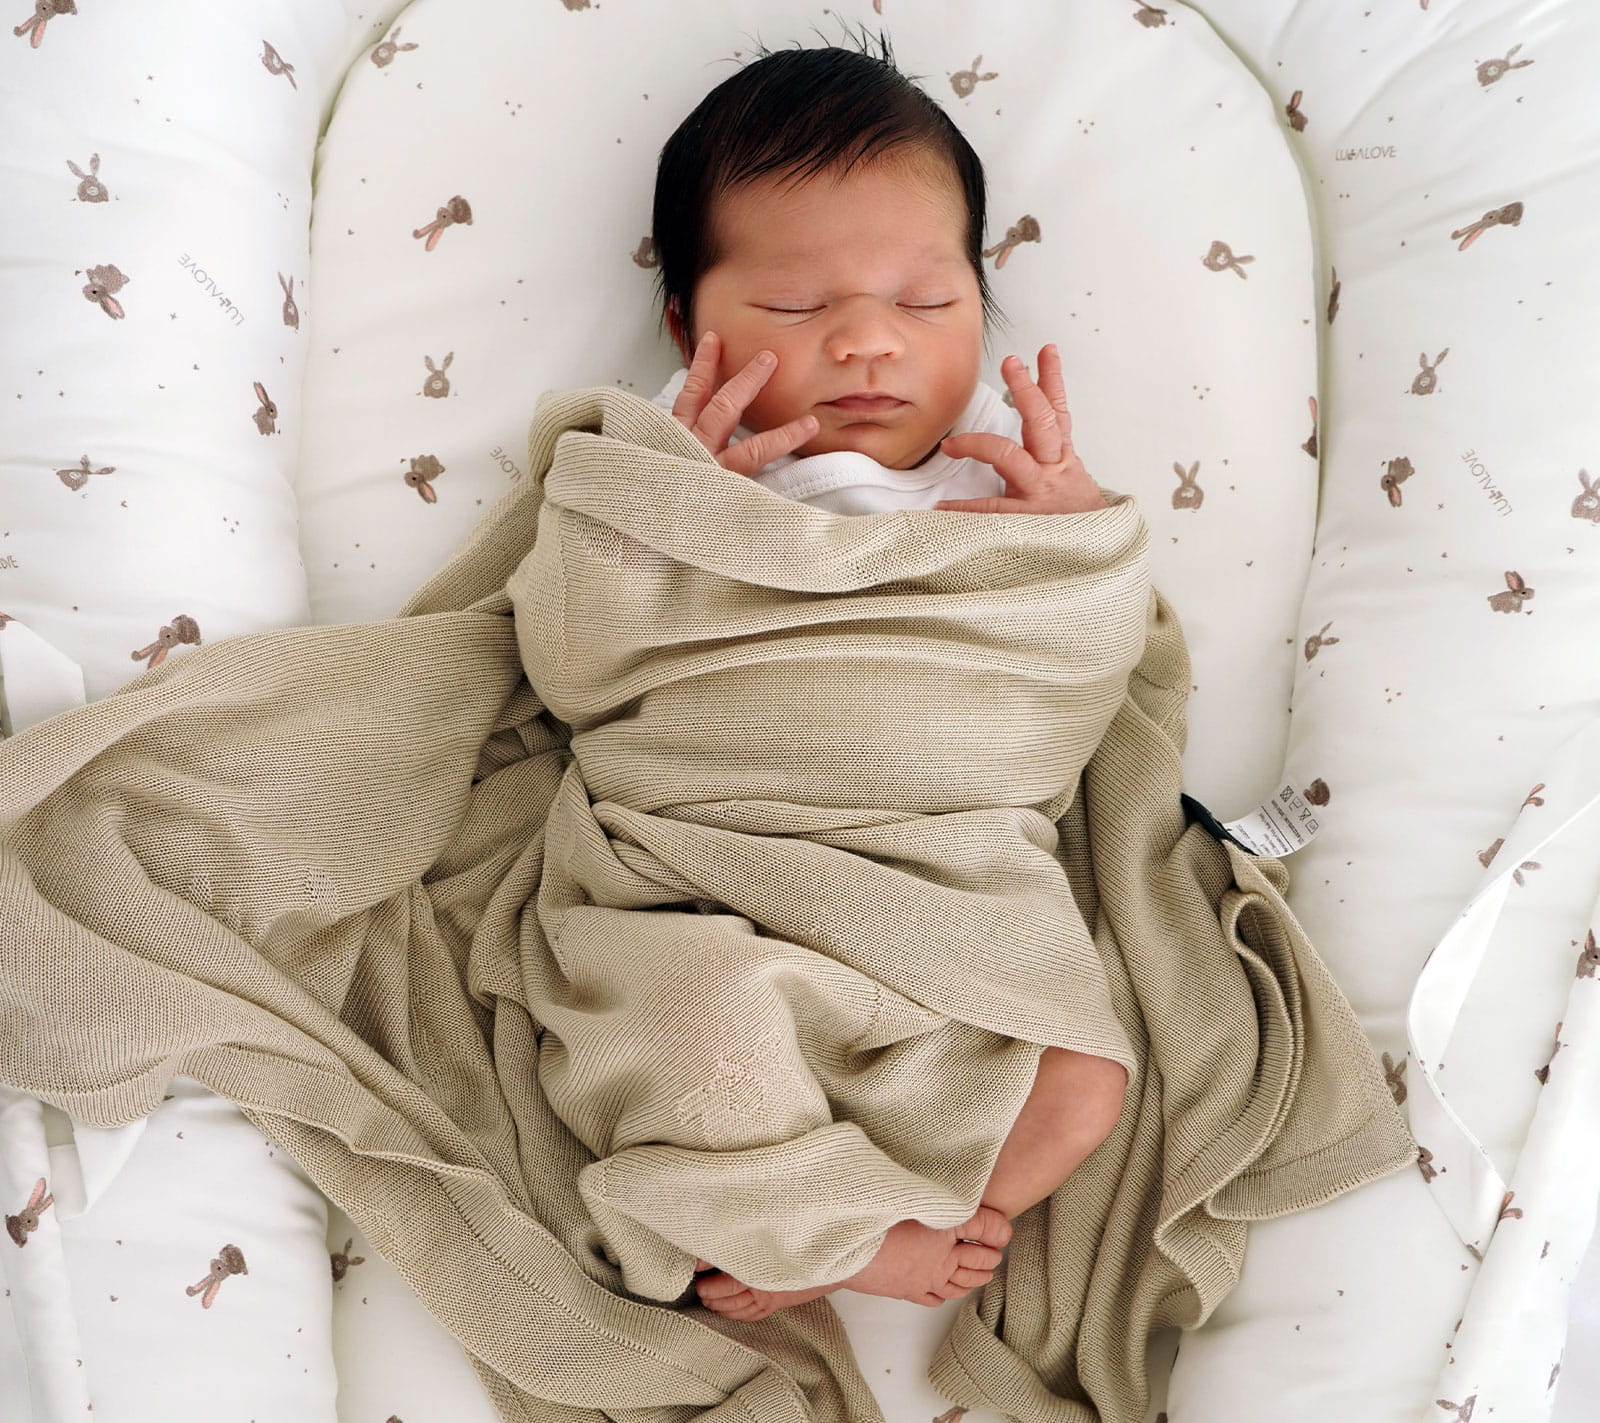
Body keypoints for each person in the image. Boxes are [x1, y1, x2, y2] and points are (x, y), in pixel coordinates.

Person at [645, 36, 1131, 1324]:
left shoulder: (1001, 493)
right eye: (800, 309)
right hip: (718, 866)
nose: (867, 342)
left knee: (1086, 1075)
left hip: (949, 870)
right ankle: (784, 1222)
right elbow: (575, 653)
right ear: (686, 325)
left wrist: (1078, 540)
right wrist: (669, 519)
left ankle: (944, 1216)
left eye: (926, 304)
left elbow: (1085, 684)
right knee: (698, 1022)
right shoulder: (668, 473)